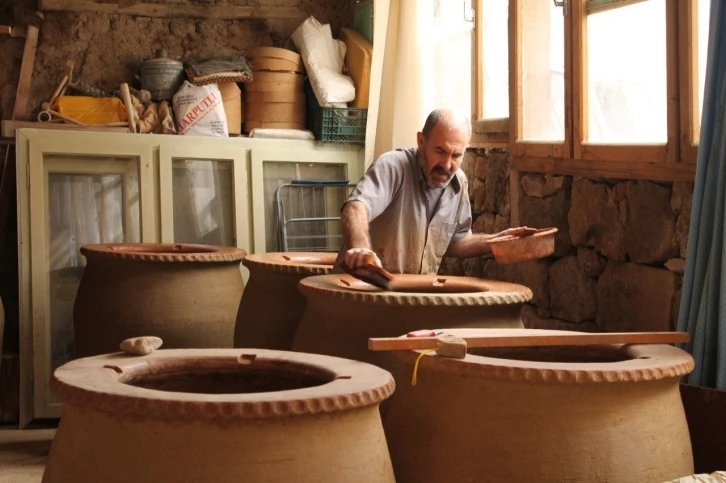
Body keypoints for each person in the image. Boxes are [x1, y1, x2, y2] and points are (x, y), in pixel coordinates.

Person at [336, 108, 530, 275]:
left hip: (409, 299)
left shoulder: (458, 182)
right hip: (362, 291)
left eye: (456, 155)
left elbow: (456, 241)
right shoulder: (393, 166)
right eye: (440, 151)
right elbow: (355, 208)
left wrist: (496, 241)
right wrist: (361, 248)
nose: (447, 164)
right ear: (421, 141)